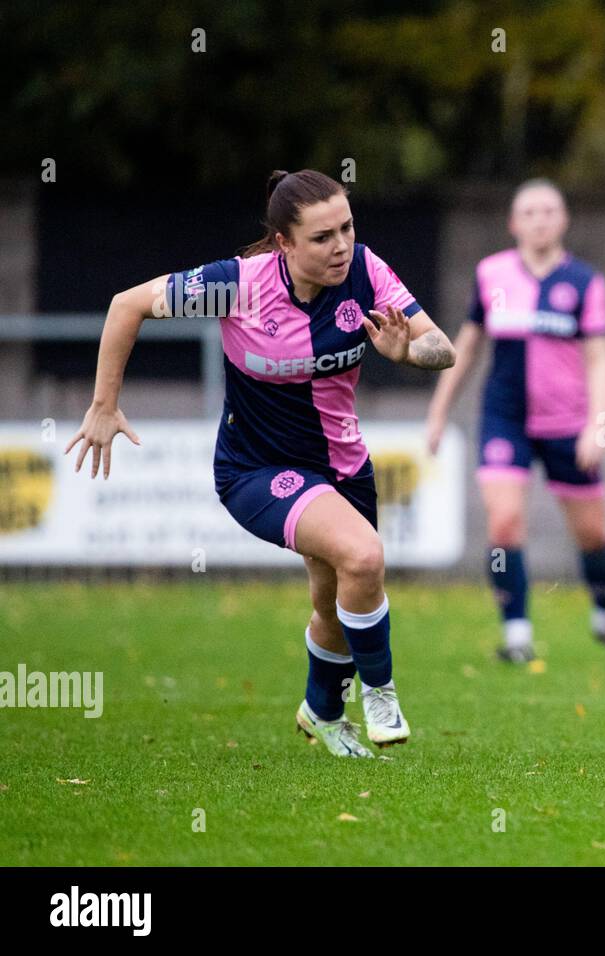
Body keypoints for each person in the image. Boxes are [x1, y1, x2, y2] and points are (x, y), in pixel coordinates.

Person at [65, 169, 456, 757]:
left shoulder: (367, 272)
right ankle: (380, 691)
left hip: (345, 468)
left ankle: (323, 710)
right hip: (256, 470)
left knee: (336, 601)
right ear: (284, 244)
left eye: (347, 227)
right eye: (322, 237)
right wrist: (103, 405)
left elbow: (442, 348)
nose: (341, 246)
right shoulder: (236, 286)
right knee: (364, 556)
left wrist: (408, 353)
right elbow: (128, 305)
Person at [424, 179, 605, 664]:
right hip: (505, 419)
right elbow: (468, 347)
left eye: (549, 211)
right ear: (513, 223)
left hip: (568, 423)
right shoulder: (491, 274)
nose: (540, 219)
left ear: (563, 220)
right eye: (530, 212)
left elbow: (599, 360)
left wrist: (597, 424)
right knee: (503, 524)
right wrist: (438, 414)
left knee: (593, 535)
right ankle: (517, 633)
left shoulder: (585, 282)